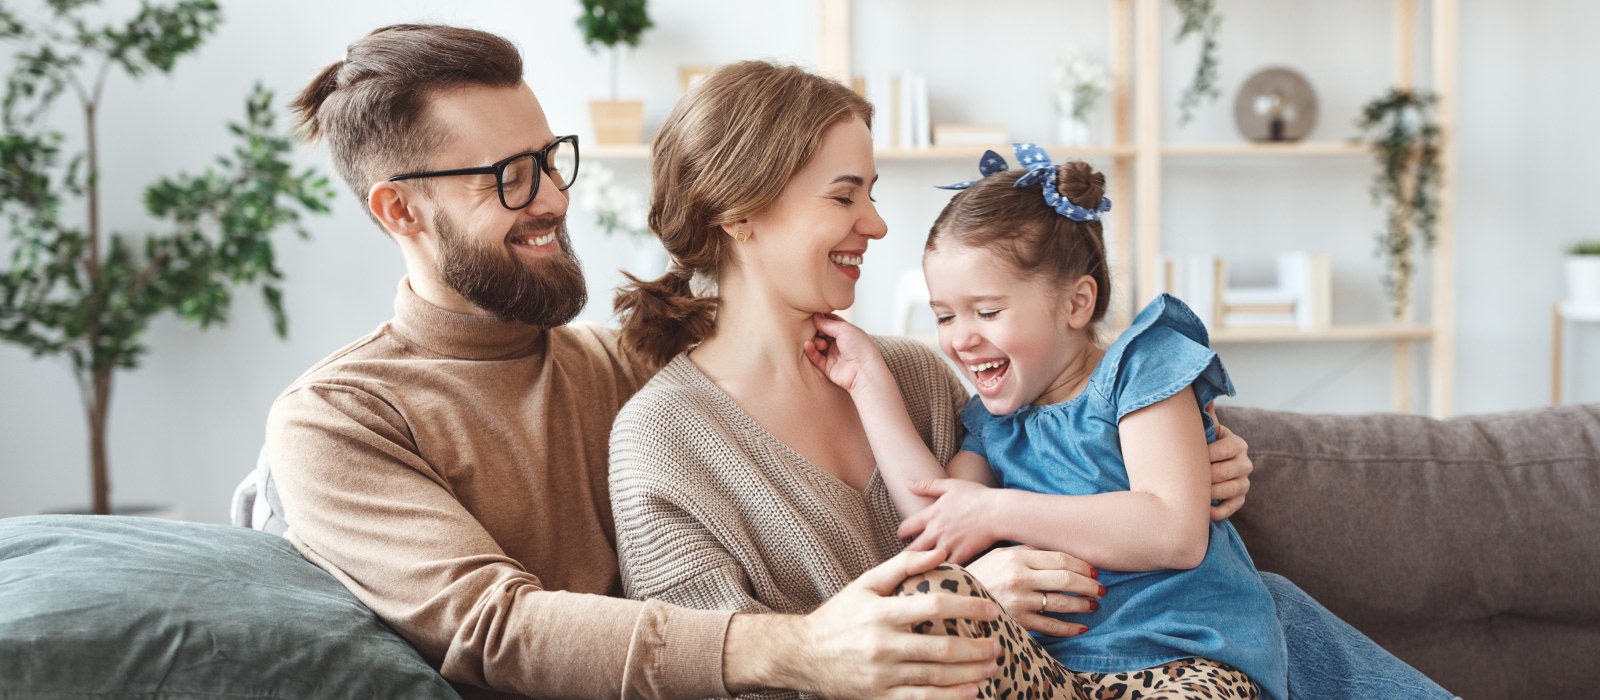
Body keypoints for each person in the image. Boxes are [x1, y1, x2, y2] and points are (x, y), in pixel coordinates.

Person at [607, 62, 1454, 699]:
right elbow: (725, 665)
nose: (877, 223)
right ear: (741, 214)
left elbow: (1054, 450)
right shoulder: (663, 440)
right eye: (846, 196)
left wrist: (1205, 457)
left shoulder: (917, 371)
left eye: (873, 192)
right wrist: (977, 593)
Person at [267, 24, 1013, 700]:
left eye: (551, 161)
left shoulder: (624, 361)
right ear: (399, 210)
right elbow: (495, 628)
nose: (555, 200)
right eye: (509, 178)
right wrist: (804, 646)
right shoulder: (340, 416)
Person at [801, 146, 1286, 698]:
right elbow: (939, 521)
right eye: (943, 316)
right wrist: (868, 382)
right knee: (929, 607)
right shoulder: (993, 422)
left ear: (1077, 303)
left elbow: (1174, 533)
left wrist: (999, 509)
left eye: (987, 312)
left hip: (1186, 660)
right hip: (1056, 674)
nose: (960, 338)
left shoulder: (1140, 368)